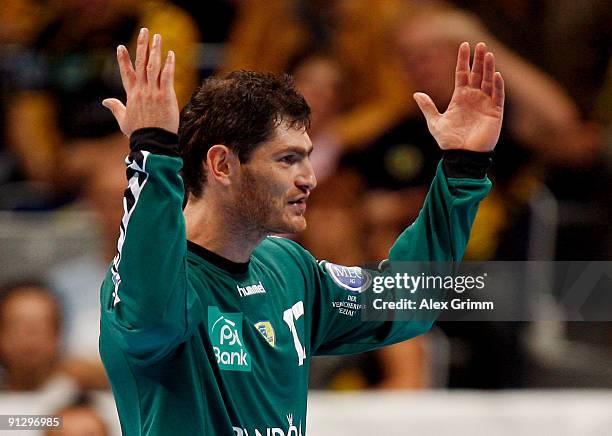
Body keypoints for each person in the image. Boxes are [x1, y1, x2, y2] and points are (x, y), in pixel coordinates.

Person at [98, 28, 503, 434]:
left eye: (307, 157)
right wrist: (152, 152)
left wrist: (462, 169)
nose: (309, 178)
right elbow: (151, 320)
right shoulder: (150, 285)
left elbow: (407, 299)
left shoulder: (289, 267)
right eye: (287, 159)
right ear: (222, 165)